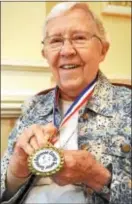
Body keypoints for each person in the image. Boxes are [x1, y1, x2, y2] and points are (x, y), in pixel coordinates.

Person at [1, 2, 131, 204]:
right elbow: (4, 190)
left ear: (103, 50)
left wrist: (97, 177)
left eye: (79, 38)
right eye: (55, 41)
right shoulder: (33, 106)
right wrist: (15, 174)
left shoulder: (127, 104)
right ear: (45, 54)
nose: (66, 50)